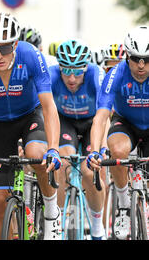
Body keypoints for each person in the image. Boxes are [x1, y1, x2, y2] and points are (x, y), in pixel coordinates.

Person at [0, 12, 62, 240]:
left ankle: (52, 211)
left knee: (36, 153)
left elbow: (49, 106)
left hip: (30, 116)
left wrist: (54, 148)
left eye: (5, 48)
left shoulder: (31, 55)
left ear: (15, 44)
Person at [88, 25, 149, 240]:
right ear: (127, 57)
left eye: (147, 60)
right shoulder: (116, 74)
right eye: (135, 59)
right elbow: (101, 117)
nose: (141, 66)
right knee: (118, 149)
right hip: (126, 123)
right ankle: (123, 204)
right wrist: (95, 151)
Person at [49, 39, 107, 239]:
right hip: (65, 122)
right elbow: (42, 110)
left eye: (77, 72)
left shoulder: (96, 75)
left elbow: (105, 115)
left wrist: (103, 146)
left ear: (86, 68)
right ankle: (61, 220)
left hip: (92, 122)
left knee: (90, 171)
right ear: (59, 68)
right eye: (66, 71)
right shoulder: (51, 75)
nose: (71, 78)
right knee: (63, 162)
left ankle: (98, 227)